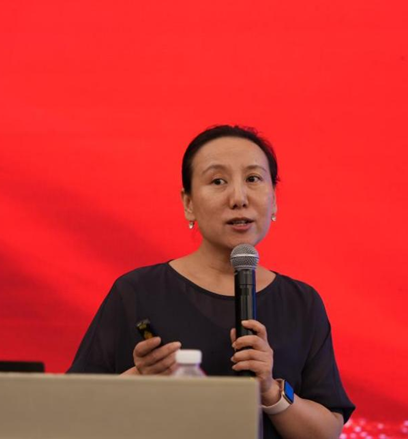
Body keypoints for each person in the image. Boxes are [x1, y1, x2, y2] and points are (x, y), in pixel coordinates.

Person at [68, 125, 355, 438]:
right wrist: (138, 378)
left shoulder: (301, 303)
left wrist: (271, 391)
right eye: (218, 181)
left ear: (274, 200)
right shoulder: (137, 292)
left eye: (253, 179)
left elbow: (327, 432)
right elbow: (72, 412)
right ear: (188, 203)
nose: (239, 198)